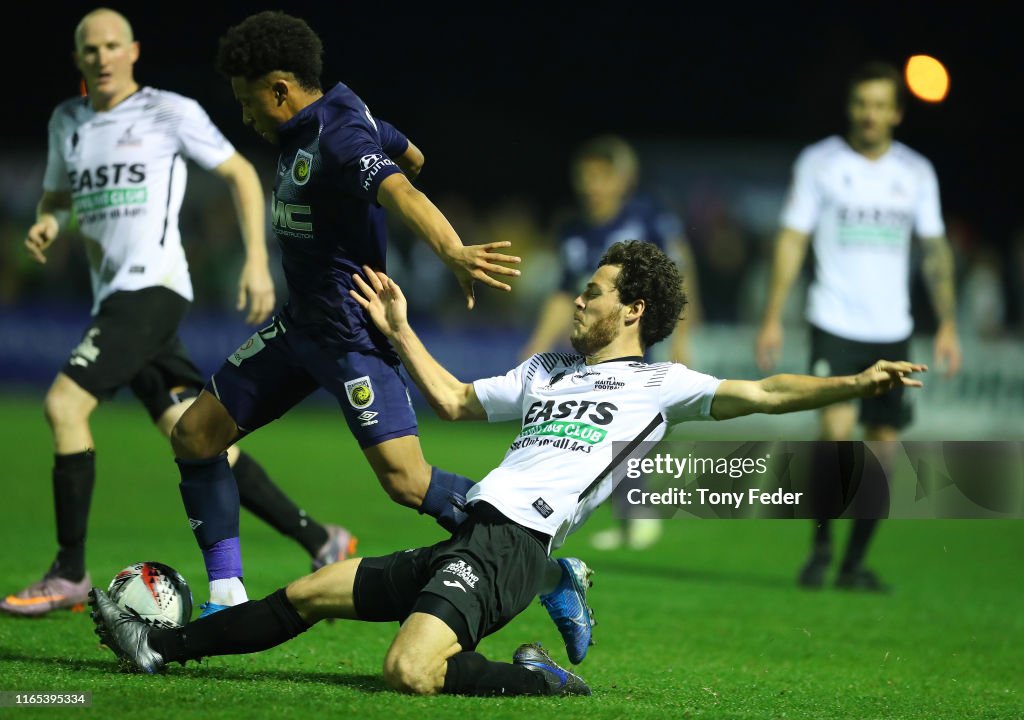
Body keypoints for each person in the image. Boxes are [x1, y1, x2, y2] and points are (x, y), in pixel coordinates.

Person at [91, 240, 926, 696]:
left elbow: (770, 391)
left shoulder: (668, 387)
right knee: (312, 593)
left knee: (408, 671)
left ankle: (541, 683)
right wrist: (398, 326)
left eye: (594, 293)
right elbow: (453, 402)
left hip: (511, 548)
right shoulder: (546, 372)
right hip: (475, 533)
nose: (578, 300)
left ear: (632, 310)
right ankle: (163, 647)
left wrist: (856, 381)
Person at [167, 9, 591, 664]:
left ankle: (544, 569)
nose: (246, 117)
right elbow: (407, 151)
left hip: (351, 331)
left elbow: (399, 187)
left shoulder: (335, 135)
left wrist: (452, 251)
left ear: (281, 89)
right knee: (195, 435)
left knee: (406, 480)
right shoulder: (341, 114)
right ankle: (225, 592)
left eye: (250, 103)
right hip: (298, 324)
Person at [0, 9, 356, 618]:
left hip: (153, 290)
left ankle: (68, 572)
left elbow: (242, 175)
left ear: (133, 51)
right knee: (193, 432)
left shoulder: (169, 111)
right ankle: (321, 538)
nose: (103, 57)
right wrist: (47, 223)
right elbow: (58, 196)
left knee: (64, 405)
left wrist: (254, 263)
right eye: (92, 49)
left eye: (114, 46)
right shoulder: (69, 122)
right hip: (111, 297)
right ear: (79, 57)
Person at [754, 61, 961, 591]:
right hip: (834, 320)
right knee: (836, 439)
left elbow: (935, 250)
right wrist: (774, 314)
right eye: (861, 103)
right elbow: (792, 238)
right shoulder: (820, 162)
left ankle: (854, 563)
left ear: (895, 112)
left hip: (892, 327)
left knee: (884, 447)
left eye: (879, 105)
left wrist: (948, 324)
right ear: (851, 108)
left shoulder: (916, 172)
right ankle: (821, 548)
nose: (869, 114)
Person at [520, 134, 703, 551]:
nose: (592, 186)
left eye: (602, 176)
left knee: (630, 429)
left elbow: (681, 275)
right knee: (595, 432)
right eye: (586, 177)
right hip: (588, 346)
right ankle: (624, 517)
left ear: (624, 179)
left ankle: (635, 515)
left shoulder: (649, 218)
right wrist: (536, 343)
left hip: (637, 343)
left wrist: (681, 338)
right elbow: (564, 292)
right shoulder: (574, 230)